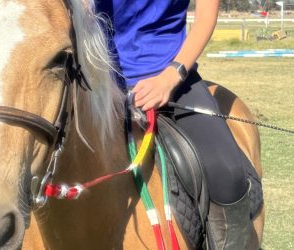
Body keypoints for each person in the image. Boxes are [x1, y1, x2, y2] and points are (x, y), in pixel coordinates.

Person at [96, 0, 261, 249]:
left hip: (174, 79)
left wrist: (171, 76)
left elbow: (206, 15)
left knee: (227, 173)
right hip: (98, 83)